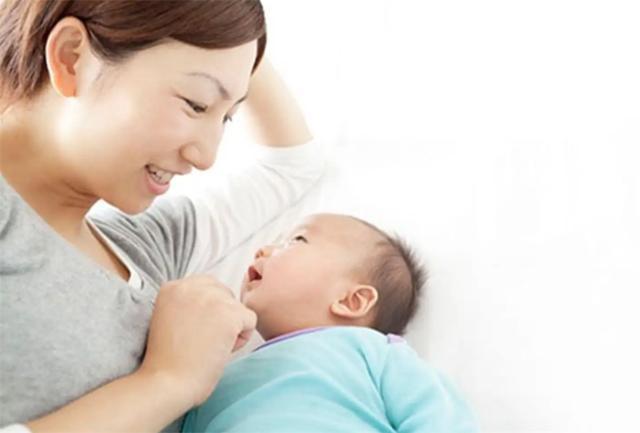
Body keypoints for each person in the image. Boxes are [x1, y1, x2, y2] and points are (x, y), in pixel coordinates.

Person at [0, 1, 325, 432]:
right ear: (71, 57)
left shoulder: (144, 249)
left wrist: (233, 37)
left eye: (227, 118)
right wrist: (167, 381)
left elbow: (292, 166)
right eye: (196, 104)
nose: (206, 156)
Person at [182, 213, 478, 432]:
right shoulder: (215, 376)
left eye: (296, 240)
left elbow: (439, 417)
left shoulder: (372, 351)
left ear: (352, 301)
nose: (263, 249)